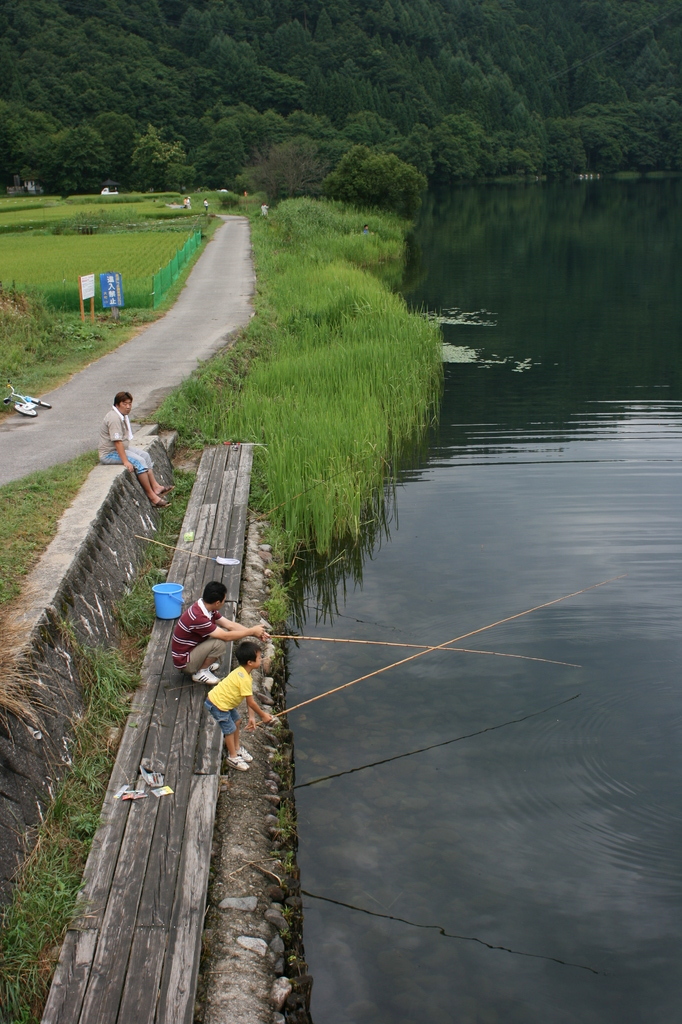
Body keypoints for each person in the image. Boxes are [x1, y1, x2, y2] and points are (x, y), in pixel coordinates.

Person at [172, 580, 269, 683]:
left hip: (191, 650)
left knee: (220, 633)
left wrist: (255, 633)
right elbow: (225, 636)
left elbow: (230, 625)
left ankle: (203, 664)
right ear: (217, 602)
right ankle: (200, 672)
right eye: (224, 600)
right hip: (185, 662)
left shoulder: (205, 607)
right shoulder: (198, 617)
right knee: (219, 643)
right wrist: (251, 631)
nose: (224, 602)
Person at [204, 640, 274, 770]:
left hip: (224, 703)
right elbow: (251, 702)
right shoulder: (244, 679)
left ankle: (237, 747)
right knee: (229, 729)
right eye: (259, 657)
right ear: (250, 662)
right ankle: (233, 757)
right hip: (217, 704)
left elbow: (249, 700)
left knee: (237, 721)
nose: (262, 659)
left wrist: (252, 718)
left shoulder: (243, 672)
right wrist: (263, 715)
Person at [99, 391, 173, 508]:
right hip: (109, 454)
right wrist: (126, 461)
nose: (128, 407)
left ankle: (156, 487)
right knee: (139, 462)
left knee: (145, 456)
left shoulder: (122, 416)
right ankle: (152, 497)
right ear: (117, 404)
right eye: (125, 404)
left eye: (130, 404)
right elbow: (117, 442)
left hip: (122, 448)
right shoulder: (114, 418)